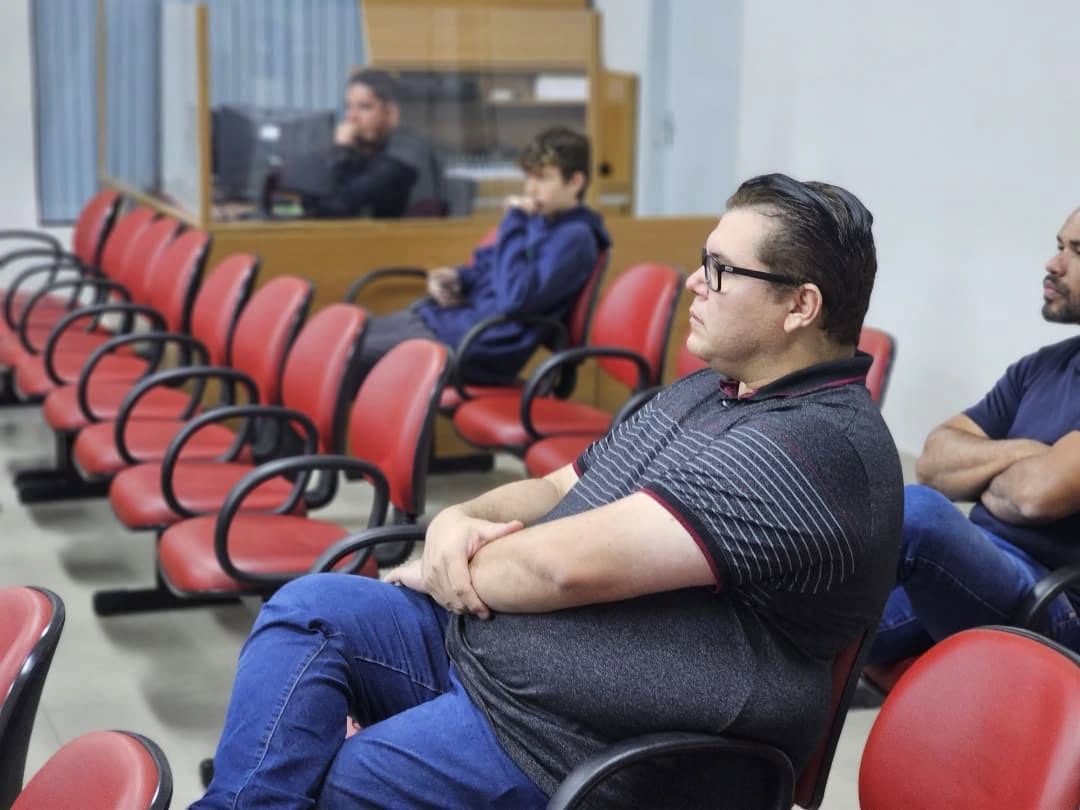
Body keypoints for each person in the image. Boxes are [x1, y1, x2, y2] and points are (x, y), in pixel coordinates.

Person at [194, 173, 902, 809]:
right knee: (311, 611)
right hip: (489, 662)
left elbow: (558, 569)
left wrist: (445, 568)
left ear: (800, 305)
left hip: (583, 746)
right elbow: (559, 485)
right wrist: (457, 519)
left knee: (353, 777)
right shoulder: (710, 391)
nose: (695, 282)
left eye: (721, 270)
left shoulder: (814, 448)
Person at [869, 206, 1080, 666]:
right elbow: (934, 463)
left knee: (919, 513)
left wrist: (983, 471)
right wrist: (1030, 452)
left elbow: (1035, 496)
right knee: (814, 635)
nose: (1053, 263)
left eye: (1077, 252)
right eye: (1058, 246)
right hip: (973, 567)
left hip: (1054, 603)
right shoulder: (1040, 367)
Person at [353, 125, 610, 385]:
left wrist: (514, 221)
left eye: (542, 178)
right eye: (529, 177)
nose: (530, 189)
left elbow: (515, 299)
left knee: (346, 359)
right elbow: (488, 265)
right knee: (342, 340)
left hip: (475, 344)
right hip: (449, 323)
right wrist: (457, 277)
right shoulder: (540, 219)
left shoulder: (575, 238)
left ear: (575, 182)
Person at [301, 69, 436, 219]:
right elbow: (312, 202)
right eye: (348, 107)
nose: (352, 117)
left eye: (364, 107)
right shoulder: (366, 149)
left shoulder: (406, 153)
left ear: (391, 113)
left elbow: (338, 207)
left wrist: (341, 150)